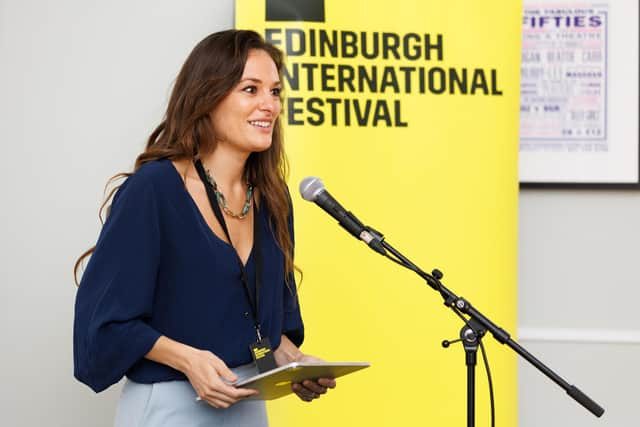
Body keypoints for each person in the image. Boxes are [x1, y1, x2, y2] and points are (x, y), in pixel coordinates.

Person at [73, 29, 336, 426]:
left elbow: (262, 322)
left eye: (275, 92)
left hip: (249, 403)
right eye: (251, 89)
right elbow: (105, 324)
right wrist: (188, 359)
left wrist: (293, 360)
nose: (270, 105)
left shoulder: (273, 198)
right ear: (207, 97)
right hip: (171, 406)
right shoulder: (154, 191)